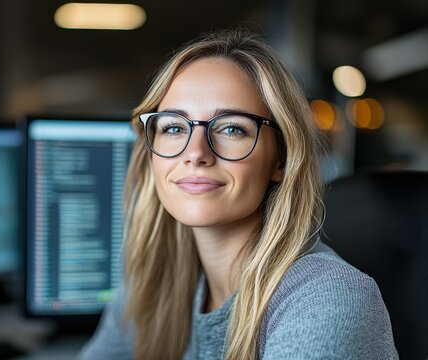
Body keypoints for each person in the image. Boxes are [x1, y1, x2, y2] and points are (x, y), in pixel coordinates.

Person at [78, 28, 398, 359]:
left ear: (281, 160)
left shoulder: (327, 300)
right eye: (174, 127)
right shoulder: (152, 277)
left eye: (232, 128)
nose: (196, 152)